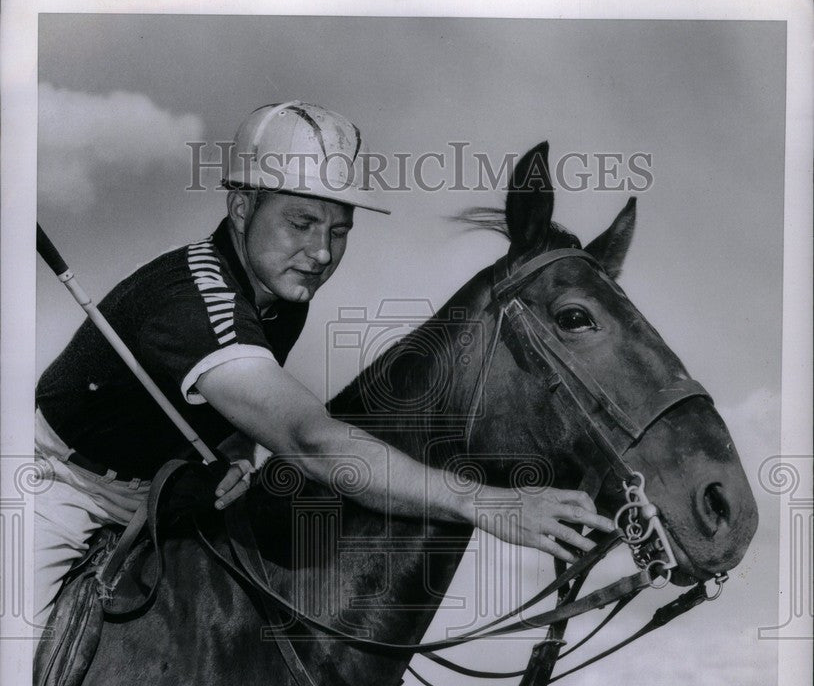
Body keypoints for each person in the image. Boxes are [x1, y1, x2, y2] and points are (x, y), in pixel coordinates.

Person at [34, 100, 612, 631]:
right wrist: (487, 502)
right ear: (241, 207)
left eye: (339, 230)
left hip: (156, 497)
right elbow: (310, 440)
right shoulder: (190, 303)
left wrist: (228, 456)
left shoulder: (280, 297)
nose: (322, 254)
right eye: (302, 223)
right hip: (55, 488)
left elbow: (237, 413)